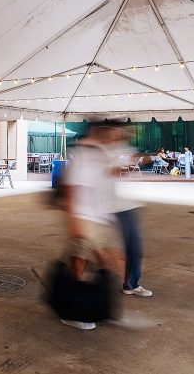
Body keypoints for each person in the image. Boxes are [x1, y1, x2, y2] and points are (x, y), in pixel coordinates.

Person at [58, 122, 124, 330]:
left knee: (104, 262)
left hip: (99, 219)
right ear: (100, 132)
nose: (115, 138)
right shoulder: (85, 155)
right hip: (84, 219)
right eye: (112, 134)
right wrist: (75, 222)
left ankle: (99, 307)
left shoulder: (100, 153)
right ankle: (69, 311)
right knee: (78, 265)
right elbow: (70, 191)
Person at [109, 125, 152, 298]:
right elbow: (111, 171)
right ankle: (130, 283)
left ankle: (130, 282)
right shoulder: (109, 150)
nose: (131, 134)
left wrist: (140, 159)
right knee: (133, 245)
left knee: (133, 245)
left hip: (128, 204)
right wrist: (132, 163)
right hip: (117, 205)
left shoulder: (127, 148)